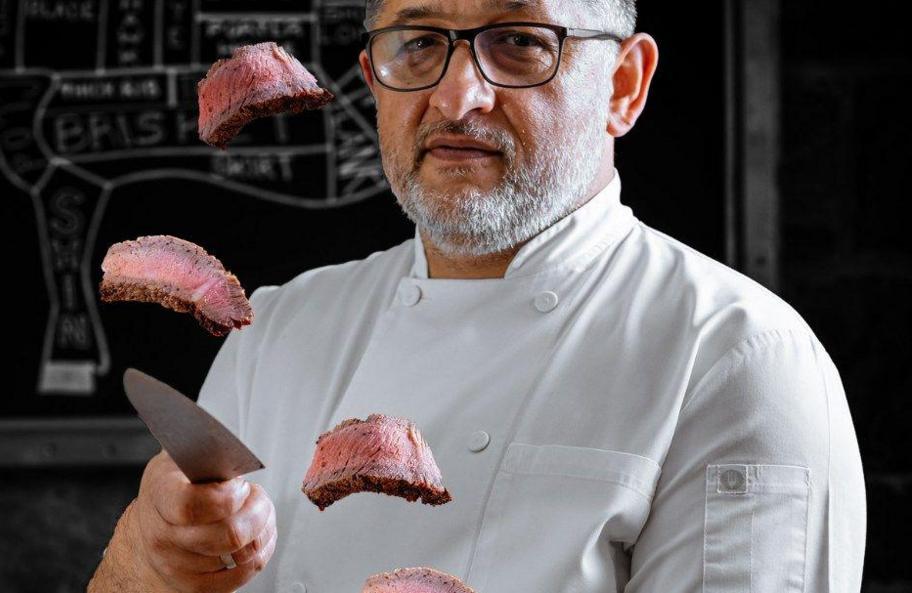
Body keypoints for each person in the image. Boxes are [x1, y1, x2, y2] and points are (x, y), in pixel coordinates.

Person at [88, 0, 867, 591]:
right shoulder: (275, 330)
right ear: (374, 81)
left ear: (623, 87)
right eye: (420, 42)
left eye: (521, 42)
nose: (459, 96)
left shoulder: (737, 358)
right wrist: (136, 563)